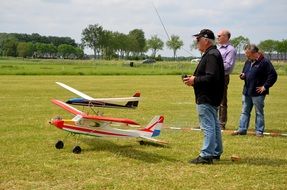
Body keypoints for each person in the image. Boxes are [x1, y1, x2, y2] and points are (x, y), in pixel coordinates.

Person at [183, 29, 225, 164]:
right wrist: (193, 79)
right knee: (214, 125)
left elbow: (211, 77)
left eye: (198, 40)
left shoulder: (211, 55)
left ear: (206, 40)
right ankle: (216, 152)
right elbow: (210, 76)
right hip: (212, 96)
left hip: (206, 97)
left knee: (208, 126)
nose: (196, 43)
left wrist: (195, 80)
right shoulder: (212, 53)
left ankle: (206, 155)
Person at [232, 44, 277, 137]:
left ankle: (259, 131)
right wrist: (243, 76)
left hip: (258, 93)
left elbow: (273, 75)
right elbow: (245, 73)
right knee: (244, 111)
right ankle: (242, 129)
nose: (246, 55)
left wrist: (265, 86)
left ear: (254, 53)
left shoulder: (265, 62)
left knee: (259, 112)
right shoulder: (248, 62)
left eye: (247, 54)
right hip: (247, 91)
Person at [217, 29, 237, 130]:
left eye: (219, 36)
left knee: (222, 101)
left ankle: (221, 124)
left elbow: (228, 66)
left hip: (223, 77)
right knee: (212, 100)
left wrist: (215, 64)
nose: (217, 37)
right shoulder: (217, 49)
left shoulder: (231, 49)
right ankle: (211, 123)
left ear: (226, 37)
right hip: (213, 76)